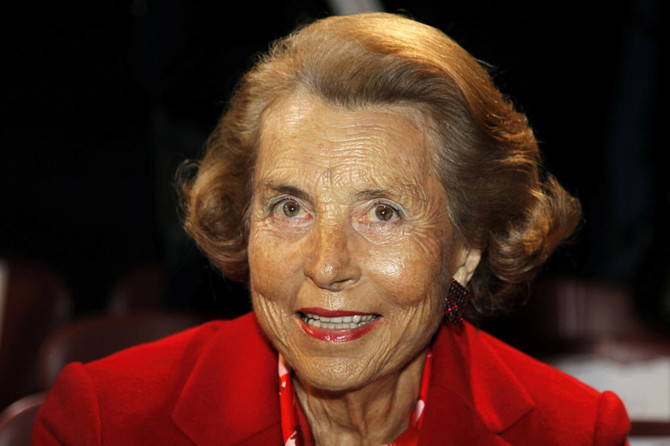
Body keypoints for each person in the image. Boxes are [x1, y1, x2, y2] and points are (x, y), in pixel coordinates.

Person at [33, 12, 630, 445]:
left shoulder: (573, 432)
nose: (327, 264)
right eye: (290, 208)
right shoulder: (104, 423)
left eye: (383, 213)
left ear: (468, 247)